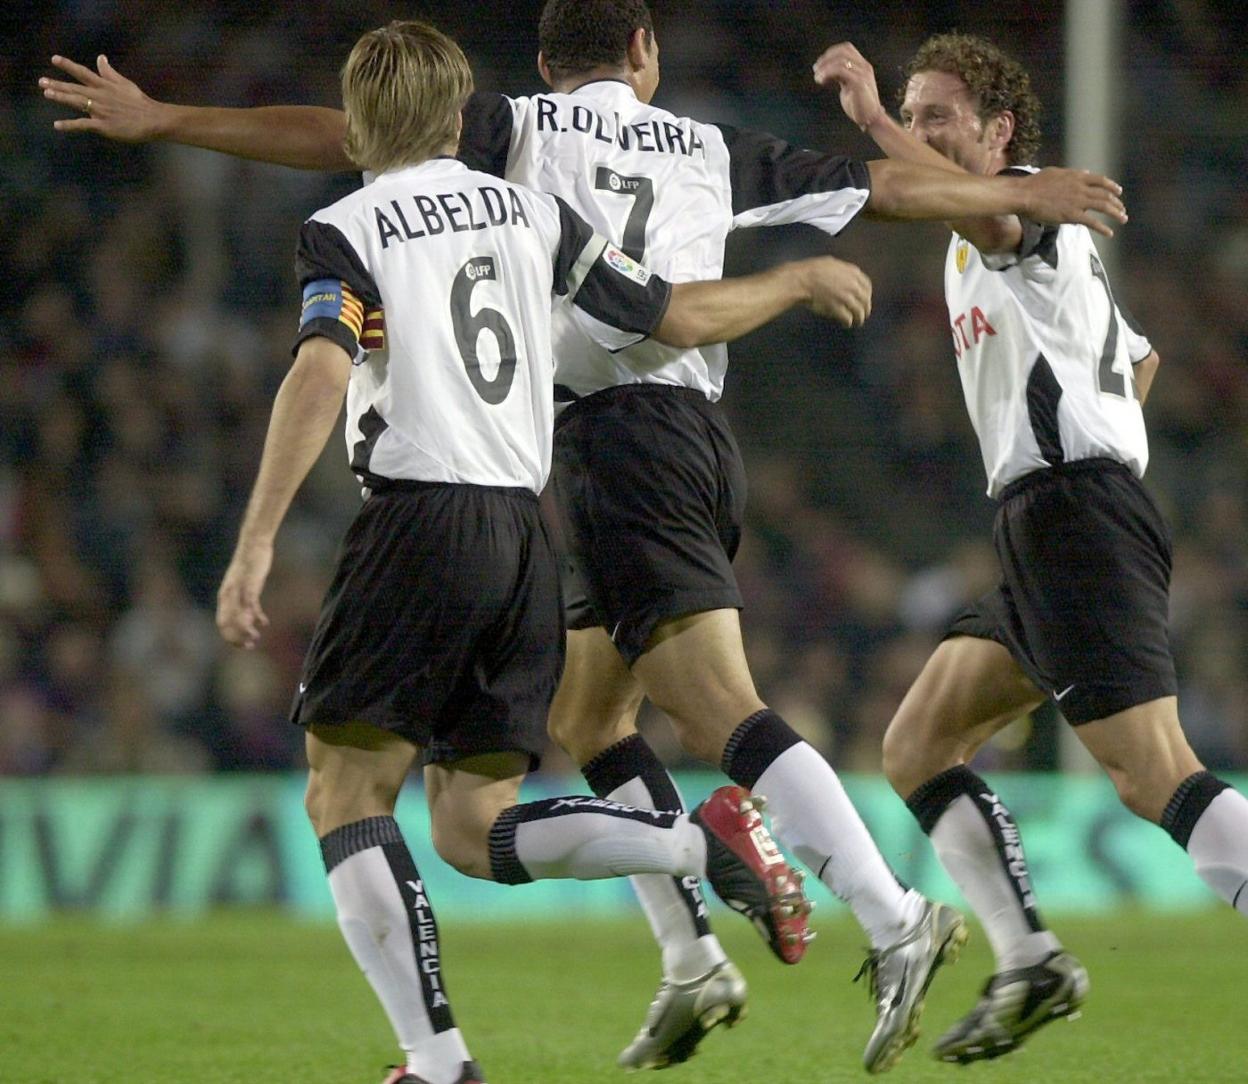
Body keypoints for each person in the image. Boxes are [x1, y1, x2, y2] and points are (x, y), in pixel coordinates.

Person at [41, 5, 1127, 1073]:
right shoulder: (705, 146)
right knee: (587, 708)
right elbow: (872, 198)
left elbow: (345, 140)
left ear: (545, 65)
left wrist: (170, 117)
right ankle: (692, 954)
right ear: (645, 51)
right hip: (611, 448)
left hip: (606, 443)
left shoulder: (512, 133)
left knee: (710, 702)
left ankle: (890, 917)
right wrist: (995, 196)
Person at [207, 18, 911, 1084]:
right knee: (468, 822)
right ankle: (693, 840)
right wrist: (794, 283)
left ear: (358, 126)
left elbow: (319, 371)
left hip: (415, 522)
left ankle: (439, 1062)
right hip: (523, 538)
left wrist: (255, 539)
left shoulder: (345, 228)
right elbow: (667, 314)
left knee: (344, 796)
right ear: (460, 116)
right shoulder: (537, 211)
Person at [815, 31, 1248, 1065]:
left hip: (1073, 518)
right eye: (911, 115)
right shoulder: (1009, 234)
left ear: (1000, 131)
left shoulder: (1015, 207)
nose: (919, 133)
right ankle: (1031, 961)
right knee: (917, 745)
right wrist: (1085, 440)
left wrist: (872, 123)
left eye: (936, 117)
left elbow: (1004, 215)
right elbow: (1134, 359)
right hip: (1048, 520)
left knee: (1154, 778)